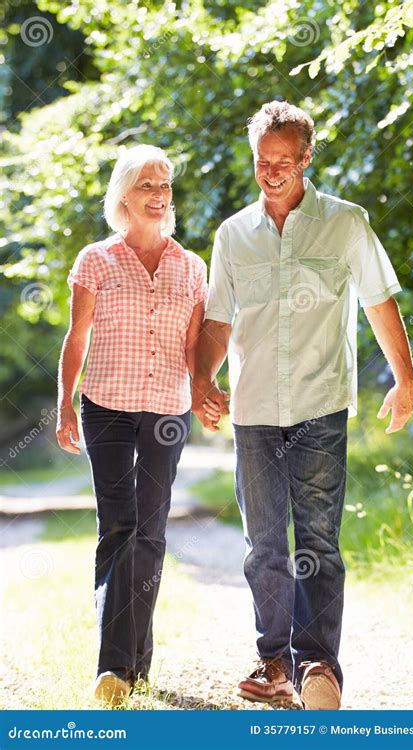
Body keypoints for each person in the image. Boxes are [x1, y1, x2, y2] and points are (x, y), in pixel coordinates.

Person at [192, 101, 413, 710]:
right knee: (263, 546)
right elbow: (216, 320)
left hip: (321, 405)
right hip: (255, 410)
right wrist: (201, 381)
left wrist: (406, 378)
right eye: (263, 161)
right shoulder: (233, 234)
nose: (271, 172)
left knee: (318, 541)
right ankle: (273, 662)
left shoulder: (345, 223)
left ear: (307, 157)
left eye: (283, 162)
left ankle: (319, 663)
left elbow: (378, 301)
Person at [56, 144, 207, 706]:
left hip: (168, 411)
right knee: (119, 526)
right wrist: (65, 404)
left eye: (165, 185)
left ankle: (136, 668)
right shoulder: (96, 260)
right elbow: (77, 337)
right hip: (107, 407)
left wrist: (208, 394)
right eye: (147, 184)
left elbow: (195, 348)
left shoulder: (192, 268)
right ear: (123, 194)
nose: (159, 194)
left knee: (151, 531)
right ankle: (114, 666)